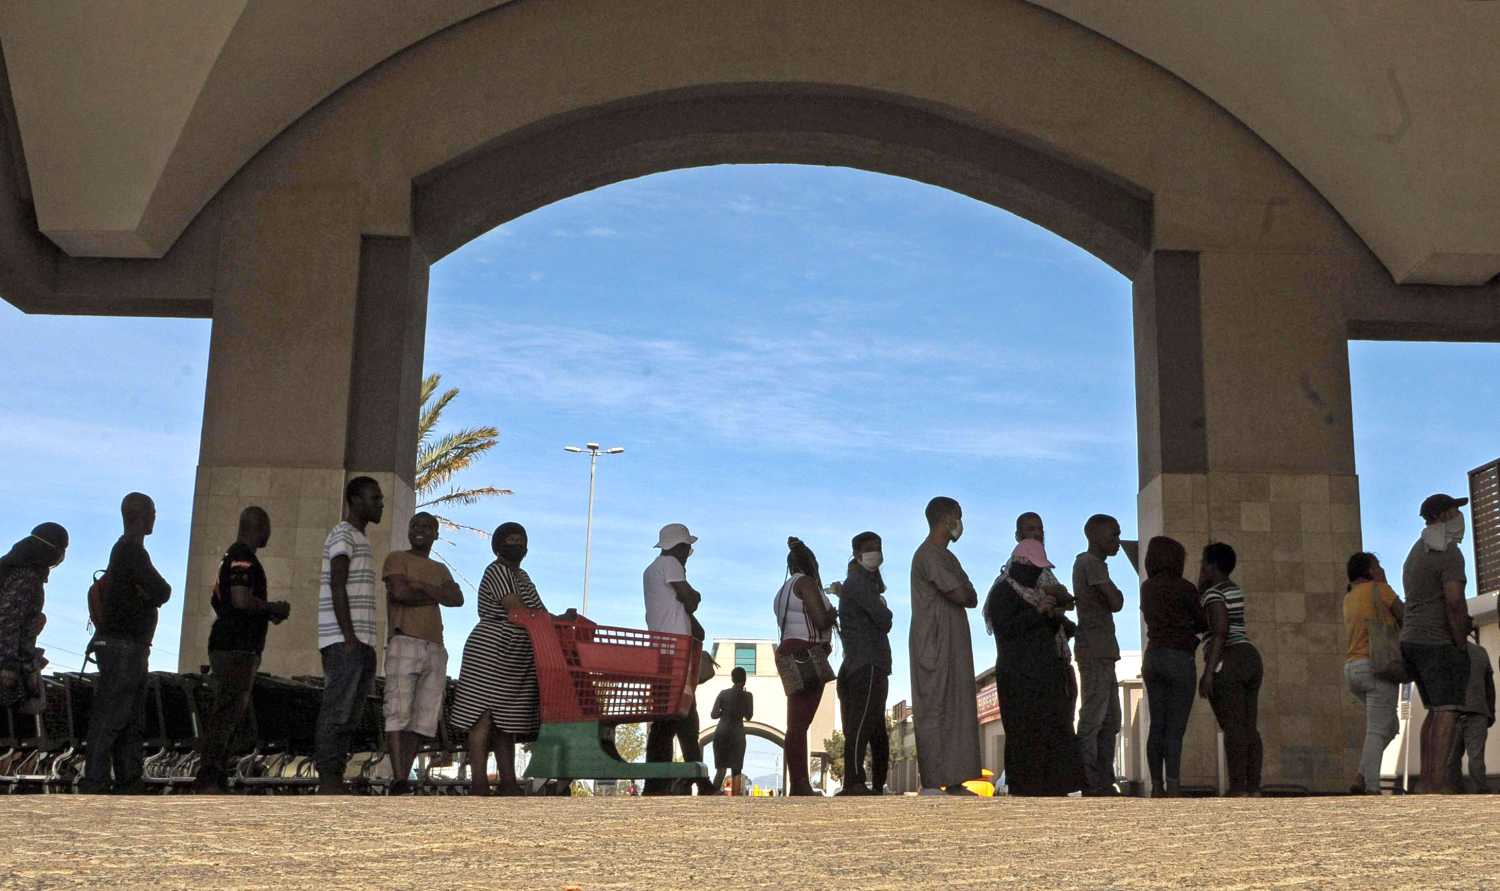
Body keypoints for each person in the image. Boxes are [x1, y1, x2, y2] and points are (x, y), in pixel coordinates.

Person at [450, 522, 561, 796]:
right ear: (498, 545)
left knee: (506, 722)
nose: (517, 544)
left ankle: (508, 781)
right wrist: (550, 622)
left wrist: (560, 621)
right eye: (511, 539)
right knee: (482, 715)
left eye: (521, 540)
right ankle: (478, 781)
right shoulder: (496, 570)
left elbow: (539, 611)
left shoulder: (523, 576)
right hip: (491, 649)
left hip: (516, 653)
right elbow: (516, 609)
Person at [193, 507, 290, 793]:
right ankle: (210, 775)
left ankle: (216, 772)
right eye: (268, 526)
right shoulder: (242, 558)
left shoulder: (233, 557)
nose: (270, 533)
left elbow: (220, 600)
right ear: (258, 526)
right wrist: (271, 607)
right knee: (227, 710)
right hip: (236, 647)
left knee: (230, 709)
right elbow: (239, 598)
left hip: (232, 644)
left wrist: (261, 613)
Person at [81, 493, 171, 794]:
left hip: (128, 646)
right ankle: (96, 782)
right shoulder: (131, 551)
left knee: (129, 719)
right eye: (153, 512)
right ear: (142, 515)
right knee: (113, 717)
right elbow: (162, 590)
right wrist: (148, 594)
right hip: (125, 647)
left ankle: (128, 782)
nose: (155, 518)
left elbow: (155, 591)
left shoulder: (125, 552)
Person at [986, 538, 1086, 796]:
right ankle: (1026, 789)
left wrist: (1055, 618)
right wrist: (1037, 612)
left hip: (1045, 678)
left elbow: (1047, 632)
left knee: (1052, 731)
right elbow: (1006, 630)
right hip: (1019, 679)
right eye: (1034, 567)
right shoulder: (1003, 592)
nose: (1037, 573)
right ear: (1020, 564)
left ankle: (1055, 787)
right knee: (1024, 735)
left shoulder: (1037, 593)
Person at [381, 511, 464, 795]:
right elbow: (400, 594)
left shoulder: (439, 569)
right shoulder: (396, 558)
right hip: (404, 641)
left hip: (435, 646)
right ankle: (398, 775)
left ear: (436, 534)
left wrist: (422, 586)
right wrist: (437, 593)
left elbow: (458, 598)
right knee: (397, 710)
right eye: (415, 524)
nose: (421, 530)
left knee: (424, 717)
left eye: (428, 526)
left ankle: (404, 775)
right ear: (408, 530)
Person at [314, 476, 383, 795]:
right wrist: (349, 636)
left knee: (350, 713)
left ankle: (335, 775)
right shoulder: (343, 534)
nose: (379, 504)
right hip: (345, 642)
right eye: (374, 498)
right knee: (337, 709)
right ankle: (328, 778)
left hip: (360, 642)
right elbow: (336, 583)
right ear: (354, 500)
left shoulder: (359, 538)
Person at [909, 496, 982, 796]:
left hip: (954, 642)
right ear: (948, 518)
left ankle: (955, 779)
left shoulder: (949, 557)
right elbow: (960, 592)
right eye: (959, 516)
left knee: (958, 707)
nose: (961, 523)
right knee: (934, 707)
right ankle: (932, 780)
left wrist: (964, 590)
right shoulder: (928, 555)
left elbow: (972, 595)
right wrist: (963, 590)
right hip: (933, 641)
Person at [1400, 492, 1472, 794]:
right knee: (1447, 710)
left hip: (1411, 640)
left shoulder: (1417, 551)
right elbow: (1455, 602)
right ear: (1444, 516)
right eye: (1455, 510)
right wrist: (1460, 641)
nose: (1459, 516)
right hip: (1437, 642)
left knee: (1433, 709)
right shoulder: (1449, 553)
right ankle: (1437, 782)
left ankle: (1426, 780)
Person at [642, 522, 708, 795]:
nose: (688, 553)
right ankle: (673, 781)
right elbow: (688, 598)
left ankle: (662, 782)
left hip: (661, 646)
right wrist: (696, 596)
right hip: (675, 649)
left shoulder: (651, 570)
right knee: (677, 716)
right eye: (688, 548)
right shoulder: (670, 563)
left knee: (674, 716)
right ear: (678, 547)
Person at [1139, 536, 1203, 797]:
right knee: (1175, 728)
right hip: (1179, 658)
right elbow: (1202, 622)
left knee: (1157, 725)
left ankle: (1157, 786)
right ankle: (1174, 785)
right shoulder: (1186, 588)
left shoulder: (1147, 588)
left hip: (1153, 657)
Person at [1198, 542, 1263, 797]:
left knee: (1233, 727)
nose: (1201, 567)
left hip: (1228, 658)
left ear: (1212, 566)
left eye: (1203, 562)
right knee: (1249, 726)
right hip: (1250, 656)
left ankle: (1238, 788)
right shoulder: (1233, 589)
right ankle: (1253, 786)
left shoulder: (1213, 594)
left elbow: (1220, 631)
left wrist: (1208, 671)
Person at [775, 536, 835, 796]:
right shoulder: (807, 583)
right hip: (807, 653)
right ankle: (800, 783)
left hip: (788, 651)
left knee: (794, 721)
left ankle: (798, 781)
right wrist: (833, 614)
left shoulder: (782, 591)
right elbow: (820, 620)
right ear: (811, 563)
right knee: (800, 724)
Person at [1341, 551, 1404, 795]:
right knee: (1378, 730)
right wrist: (1385, 583)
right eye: (1377, 565)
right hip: (1377, 666)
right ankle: (1372, 788)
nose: (1380, 569)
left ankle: (1360, 776)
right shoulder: (1380, 590)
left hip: (1352, 669)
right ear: (1369, 571)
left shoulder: (1349, 597)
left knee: (1389, 726)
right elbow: (1405, 615)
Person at [836, 530, 893, 796]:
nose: (876, 552)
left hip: (867, 661)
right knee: (861, 723)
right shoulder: (858, 583)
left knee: (874, 726)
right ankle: (854, 780)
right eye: (871, 547)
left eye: (879, 546)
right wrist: (884, 608)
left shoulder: (863, 582)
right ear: (858, 554)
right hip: (867, 661)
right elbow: (884, 619)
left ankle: (875, 780)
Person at [1072, 514, 1125, 796]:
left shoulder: (1096, 565)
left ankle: (1104, 777)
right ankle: (1090, 779)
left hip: (1104, 650)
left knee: (1112, 720)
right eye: (1112, 535)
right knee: (1093, 717)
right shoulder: (1090, 563)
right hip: (1094, 649)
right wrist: (1115, 592)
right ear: (1094, 536)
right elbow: (1116, 601)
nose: (1116, 541)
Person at [0, 523, 68, 712]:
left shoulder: (11, 569)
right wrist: (9, 667)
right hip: (9, 663)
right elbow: (8, 623)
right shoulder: (27, 577)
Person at [1448, 631, 1493, 793]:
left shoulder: (1448, 651)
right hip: (1465, 713)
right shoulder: (1480, 651)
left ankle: (1463, 792)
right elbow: (1489, 684)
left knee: (1455, 759)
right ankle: (1473, 793)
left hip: (1462, 713)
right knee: (1469, 758)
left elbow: (1488, 683)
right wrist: (1491, 710)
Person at [710, 666, 753, 792]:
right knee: (736, 770)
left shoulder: (723, 694)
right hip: (737, 733)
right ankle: (735, 799)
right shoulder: (748, 696)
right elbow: (749, 716)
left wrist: (724, 712)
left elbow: (713, 714)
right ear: (745, 680)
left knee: (721, 769)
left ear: (732, 679)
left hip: (721, 731)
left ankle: (711, 796)